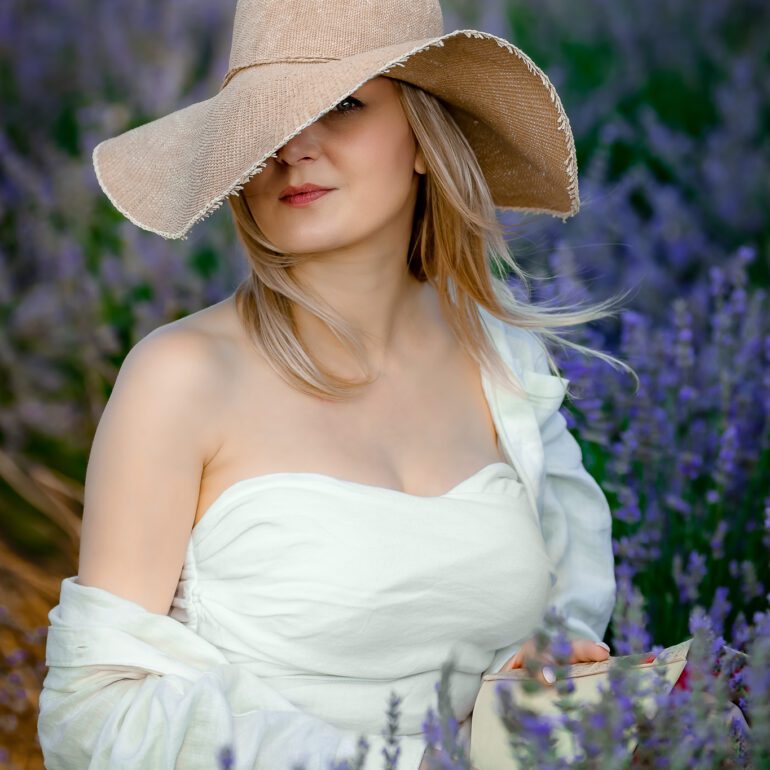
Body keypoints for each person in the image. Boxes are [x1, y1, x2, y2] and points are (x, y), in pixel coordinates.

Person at [37, 1, 631, 768]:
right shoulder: (180, 379)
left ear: (423, 135)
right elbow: (96, 714)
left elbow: (563, 618)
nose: (292, 147)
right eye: (264, 124)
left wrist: (548, 684)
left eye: (342, 105)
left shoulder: (504, 365)